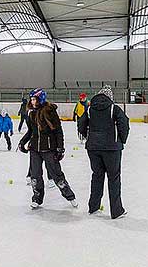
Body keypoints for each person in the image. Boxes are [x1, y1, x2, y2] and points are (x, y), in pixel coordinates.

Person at [18, 88, 78, 209]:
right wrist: (22, 142)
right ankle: (37, 198)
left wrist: (60, 148)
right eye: (31, 99)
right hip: (35, 149)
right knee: (35, 175)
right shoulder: (31, 113)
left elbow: (58, 131)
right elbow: (31, 131)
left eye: (34, 99)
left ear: (41, 99)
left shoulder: (50, 111)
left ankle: (70, 196)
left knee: (57, 175)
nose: (32, 101)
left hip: (49, 149)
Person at [78, 85, 129, 219]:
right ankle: (117, 211)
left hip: (93, 148)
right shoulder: (114, 108)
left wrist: (87, 136)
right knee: (114, 178)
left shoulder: (90, 109)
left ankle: (93, 207)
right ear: (110, 97)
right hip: (112, 148)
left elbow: (81, 124)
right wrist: (121, 140)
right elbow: (124, 124)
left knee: (97, 176)